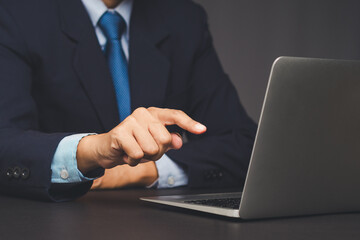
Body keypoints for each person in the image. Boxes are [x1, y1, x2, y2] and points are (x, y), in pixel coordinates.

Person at [0, 0, 257, 201]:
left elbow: (246, 147)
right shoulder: (16, 13)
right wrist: (94, 153)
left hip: (159, 222)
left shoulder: (184, 19)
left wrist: (142, 171)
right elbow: (5, 142)